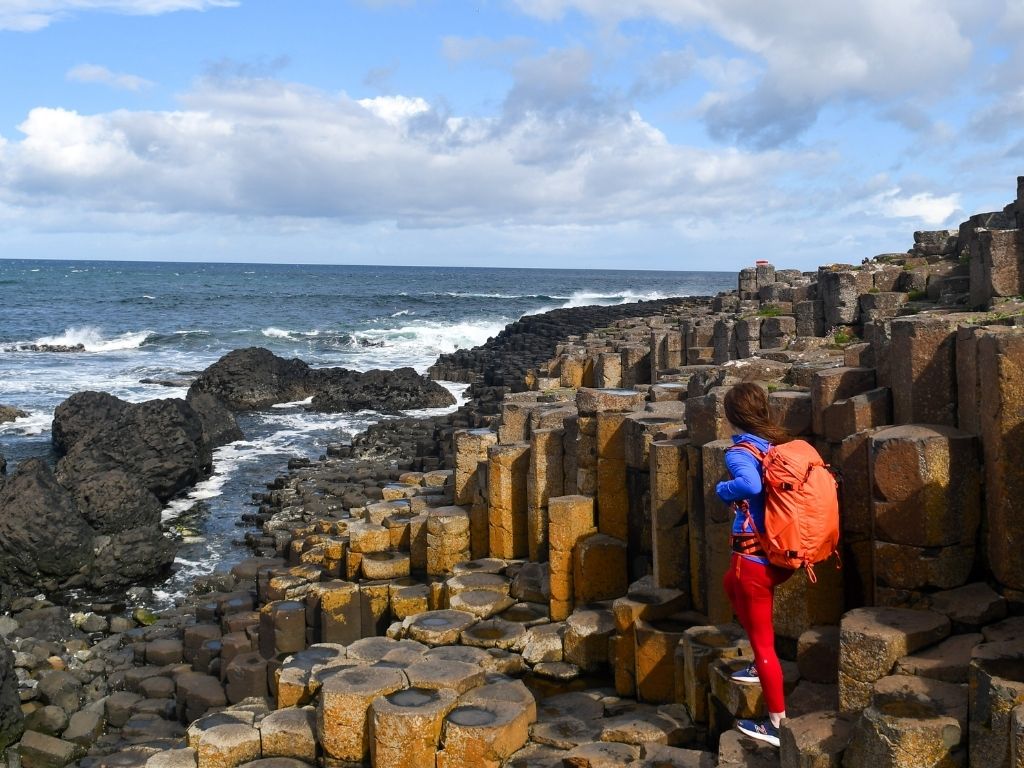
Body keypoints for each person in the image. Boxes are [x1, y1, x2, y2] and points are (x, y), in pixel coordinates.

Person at [715, 382, 794, 747]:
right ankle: (759, 665)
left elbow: (748, 485)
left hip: (754, 559)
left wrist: (722, 491)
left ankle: (778, 724)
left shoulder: (740, 453)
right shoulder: (772, 446)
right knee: (730, 585)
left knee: (763, 644)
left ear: (732, 415)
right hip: (779, 555)